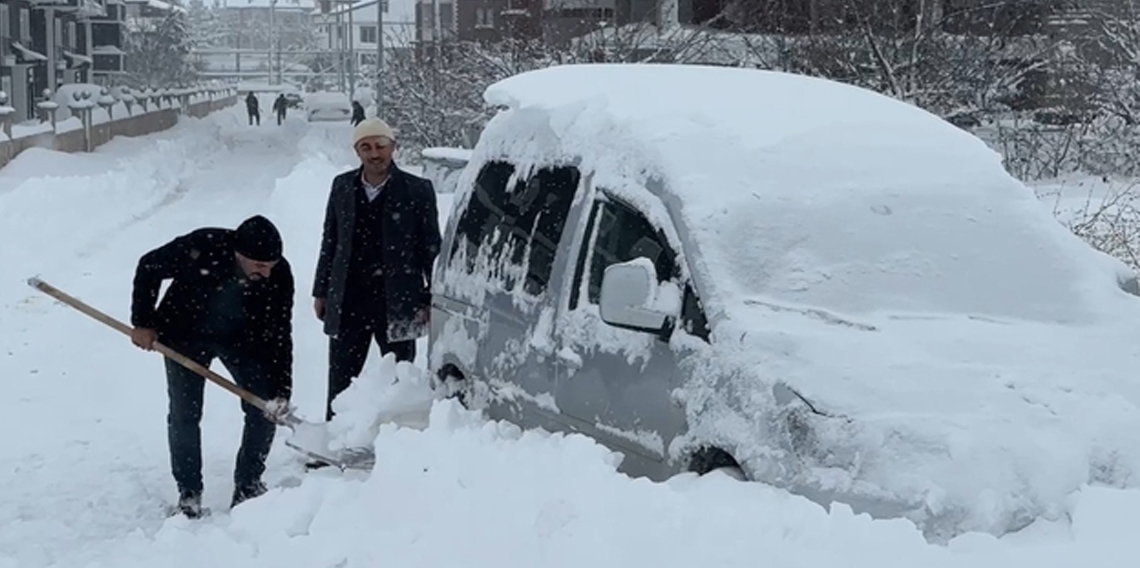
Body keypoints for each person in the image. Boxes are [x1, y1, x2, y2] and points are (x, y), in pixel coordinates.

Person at [130, 215, 294, 518]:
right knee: (185, 413)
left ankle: (248, 486)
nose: (266, 273)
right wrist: (143, 321)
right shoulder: (203, 245)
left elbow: (281, 333)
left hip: (242, 340)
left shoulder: (280, 274)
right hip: (184, 334)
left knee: (263, 408)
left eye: (270, 266)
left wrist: (282, 389)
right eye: (258, 266)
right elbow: (149, 266)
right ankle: (189, 492)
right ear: (238, 254)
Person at [311, 118, 441, 434]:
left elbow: (431, 249)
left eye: (380, 146)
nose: (374, 154)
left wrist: (428, 297)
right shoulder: (342, 186)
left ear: (393, 147)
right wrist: (322, 290)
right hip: (350, 295)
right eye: (366, 147)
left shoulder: (417, 190)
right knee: (342, 375)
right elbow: (331, 240)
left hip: (399, 298)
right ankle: (336, 436)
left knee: (400, 376)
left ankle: (398, 437)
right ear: (357, 150)